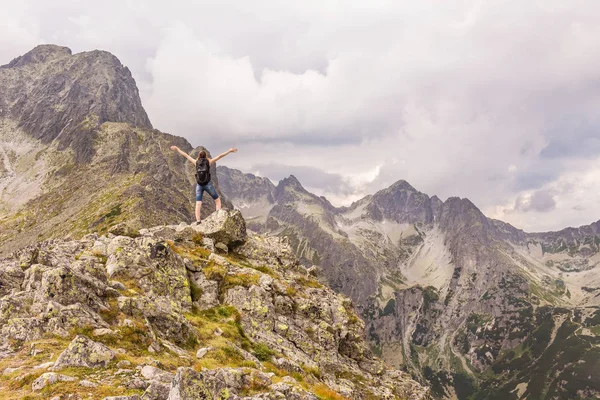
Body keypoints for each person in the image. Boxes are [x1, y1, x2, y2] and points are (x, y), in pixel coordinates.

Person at [170, 145, 238, 223]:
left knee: (198, 203)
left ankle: (198, 220)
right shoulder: (208, 162)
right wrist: (229, 151)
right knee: (217, 200)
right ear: (206, 156)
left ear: (198, 156)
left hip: (199, 185)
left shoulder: (196, 162)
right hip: (207, 184)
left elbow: (185, 155)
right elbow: (220, 156)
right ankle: (217, 218)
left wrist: (177, 149)